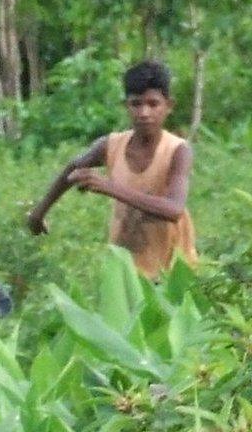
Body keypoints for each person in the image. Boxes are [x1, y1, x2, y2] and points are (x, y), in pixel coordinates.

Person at [27, 61, 197, 279]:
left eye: (153, 104)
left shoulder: (178, 151)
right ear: (126, 105)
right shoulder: (111, 145)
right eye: (136, 104)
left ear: (169, 106)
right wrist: (38, 214)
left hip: (171, 270)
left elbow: (173, 209)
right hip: (126, 267)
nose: (144, 113)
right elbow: (71, 169)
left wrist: (108, 187)